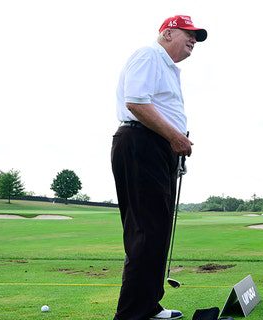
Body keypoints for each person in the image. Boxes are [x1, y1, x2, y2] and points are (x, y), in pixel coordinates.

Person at [111, 15, 207, 320]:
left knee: (156, 232)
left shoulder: (167, 67)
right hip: (141, 144)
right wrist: (175, 137)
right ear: (167, 33)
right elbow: (136, 102)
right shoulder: (149, 55)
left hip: (157, 148)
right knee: (146, 232)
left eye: (196, 36)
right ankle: (131, 314)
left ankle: (148, 306)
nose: (193, 40)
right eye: (188, 33)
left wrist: (173, 144)